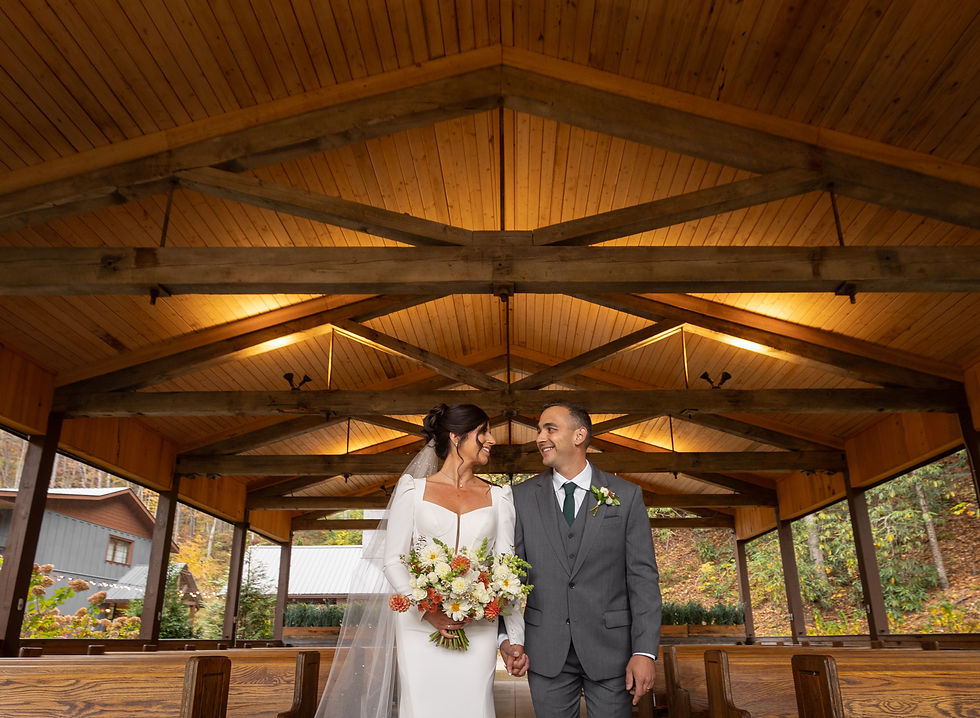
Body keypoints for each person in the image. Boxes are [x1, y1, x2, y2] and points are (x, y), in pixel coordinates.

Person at [315, 403, 526, 718]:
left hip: (478, 626)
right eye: (483, 431)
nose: (492, 439)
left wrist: (515, 640)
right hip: (419, 625)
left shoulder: (500, 498)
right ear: (456, 437)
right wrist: (428, 611)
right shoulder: (412, 491)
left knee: (474, 707)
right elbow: (393, 560)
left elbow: (506, 572)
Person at [499, 402, 662, 718]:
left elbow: (643, 578)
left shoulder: (625, 496)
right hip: (545, 650)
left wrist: (644, 652)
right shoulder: (520, 498)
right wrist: (506, 638)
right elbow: (510, 576)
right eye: (538, 430)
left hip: (614, 651)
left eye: (550, 428)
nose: (540, 438)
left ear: (580, 435)